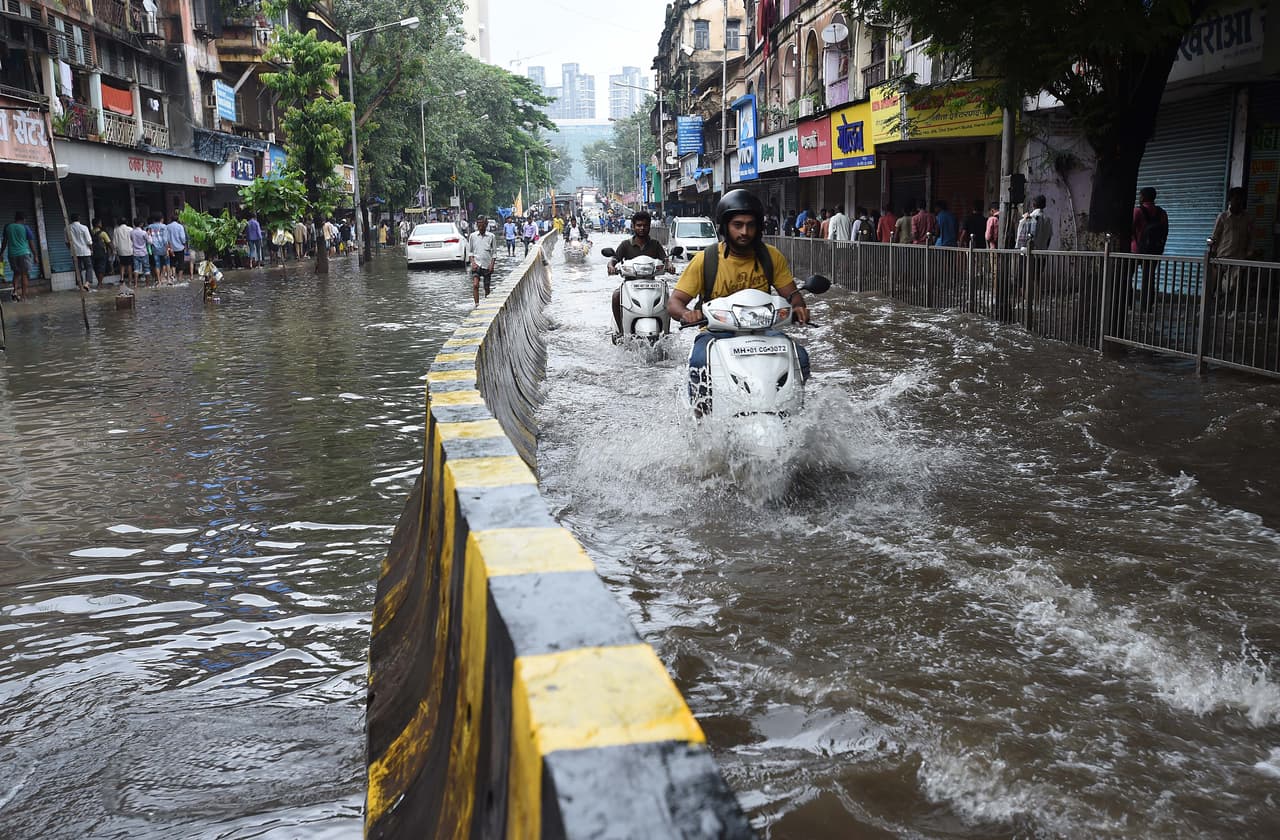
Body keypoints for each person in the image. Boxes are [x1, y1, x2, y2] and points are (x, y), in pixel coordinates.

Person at [668, 189, 812, 402]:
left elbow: (792, 294)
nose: (744, 232)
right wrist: (687, 314)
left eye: (750, 225)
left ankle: (793, 410)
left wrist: (799, 307)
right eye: (738, 225)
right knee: (699, 363)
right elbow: (674, 302)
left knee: (800, 356)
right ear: (725, 226)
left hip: (763, 332)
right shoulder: (705, 260)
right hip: (715, 333)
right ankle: (701, 421)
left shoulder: (771, 257)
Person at [608, 210, 671, 337]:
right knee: (616, 296)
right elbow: (614, 259)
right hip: (631, 285)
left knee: (668, 296)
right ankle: (621, 331)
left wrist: (669, 266)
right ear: (633, 226)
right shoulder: (625, 245)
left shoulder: (655, 244)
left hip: (652, 284)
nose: (642, 228)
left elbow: (665, 259)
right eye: (639, 225)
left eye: (645, 225)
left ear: (649, 226)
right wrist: (611, 266)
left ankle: (666, 331)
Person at [1209, 186, 1250, 310]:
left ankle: (1233, 311)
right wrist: (1212, 252)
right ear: (1230, 200)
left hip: (1239, 258)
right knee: (1215, 286)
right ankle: (1211, 309)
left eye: (1240, 200)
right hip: (1222, 257)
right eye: (1236, 199)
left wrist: (1250, 253)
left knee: (1236, 287)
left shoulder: (1248, 218)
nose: (1238, 202)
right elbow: (1215, 236)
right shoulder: (1223, 217)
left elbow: (1251, 237)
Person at [1131, 186, 1168, 311]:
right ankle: (1147, 307)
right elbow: (1165, 232)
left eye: (1140, 195)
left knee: (1128, 276)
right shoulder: (1162, 212)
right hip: (1154, 251)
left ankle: (1129, 303)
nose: (1139, 197)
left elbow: (1131, 229)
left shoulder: (1137, 211)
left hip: (1137, 250)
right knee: (1149, 278)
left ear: (1143, 197)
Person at [1, 211, 34, 301]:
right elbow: (31, 243)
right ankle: (23, 297)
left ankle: (15, 292)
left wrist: (1, 253)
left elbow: (4, 241)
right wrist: (35, 255)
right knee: (24, 274)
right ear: (23, 219)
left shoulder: (7, 227)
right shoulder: (25, 227)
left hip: (12, 255)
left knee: (16, 273)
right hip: (23, 253)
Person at [467, 216, 497, 306]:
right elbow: (470, 252)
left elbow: (494, 253)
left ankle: (487, 304)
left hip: (487, 265)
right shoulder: (472, 236)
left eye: (482, 225)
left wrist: (492, 265)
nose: (480, 227)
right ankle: (476, 304)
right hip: (477, 264)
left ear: (486, 225)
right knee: (475, 285)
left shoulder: (491, 236)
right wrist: (473, 263)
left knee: (486, 287)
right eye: (479, 225)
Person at [67, 213, 94, 291]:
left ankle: (80, 286)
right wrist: (91, 249)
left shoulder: (67, 228)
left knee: (78, 269)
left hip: (74, 252)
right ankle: (87, 283)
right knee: (89, 267)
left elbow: (67, 242)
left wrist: (71, 249)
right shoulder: (84, 228)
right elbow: (89, 241)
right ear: (79, 219)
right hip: (85, 251)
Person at [146, 214, 172, 283]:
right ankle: (168, 279)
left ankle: (159, 281)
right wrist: (167, 248)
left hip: (155, 248)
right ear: (161, 219)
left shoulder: (150, 227)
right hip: (163, 247)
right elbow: (165, 239)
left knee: (157, 264)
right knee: (167, 263)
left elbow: (148, 237)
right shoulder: (164, 226)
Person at [167, 213, 191, 281]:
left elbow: (167, 237)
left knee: (172, 262)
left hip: (171, 248)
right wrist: (183, 243)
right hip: (179, 247)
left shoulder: (168, 226)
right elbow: (182, 237)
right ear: (178, 219)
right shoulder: (180, 226)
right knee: (181, 262)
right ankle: (180, 277)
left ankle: (173, 276)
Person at [90, 218, 112, 289]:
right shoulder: (103, 233)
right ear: (98, 224)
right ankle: (100, 283)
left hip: (93, 253)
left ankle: (99, 282)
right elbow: (109, 242)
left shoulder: (90, 232)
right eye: (100, 223)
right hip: (102, 252)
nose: (101, 224)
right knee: (101, 267)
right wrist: (113, 250)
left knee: (96, 267)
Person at [113, 217, 134, 287]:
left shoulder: (116, 230)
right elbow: (133, 239)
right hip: (129, 249)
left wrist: (115, 250)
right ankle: (130, 280)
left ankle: (122, 279)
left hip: (121, 250)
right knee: (129, 265)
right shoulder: (130, 229)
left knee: (122, 264)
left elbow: (114, 241)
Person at [130, 218, 151, 285]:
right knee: (146, 268)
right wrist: (149, 235)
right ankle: (147, 284)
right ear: (141, 224)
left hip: (135, 253)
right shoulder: (144, 233)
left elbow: (131, 240)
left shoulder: (132, 232)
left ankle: (136, 284)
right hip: (144, 252)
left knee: (136, 269)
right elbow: (150, 242)